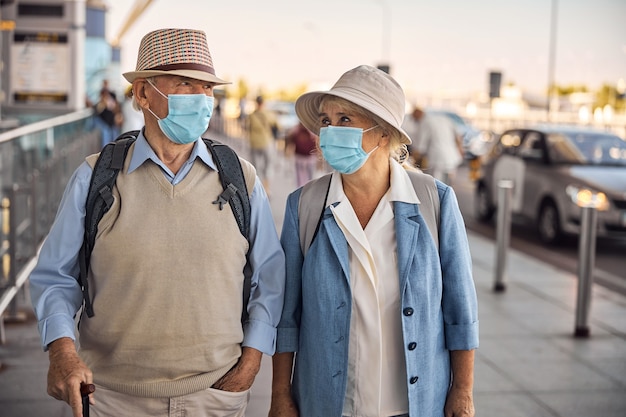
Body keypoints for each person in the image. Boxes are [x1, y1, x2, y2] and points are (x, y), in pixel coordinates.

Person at [29, 28, 285, 417]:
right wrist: (62, 352)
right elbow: (55, 276)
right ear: (143, 94)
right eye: (185, 84)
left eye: (207, 89)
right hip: (110, 399)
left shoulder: (240, 178)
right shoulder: (95, 176)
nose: (202, 99)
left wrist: (249, 366)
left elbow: (270, 276)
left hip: (214, 396)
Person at [269, 65, 479, 417]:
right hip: (329, 403)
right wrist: (280, 396)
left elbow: (460, 309)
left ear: (383, 134)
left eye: (346, 119)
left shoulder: (434, 201)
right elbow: (287, 317)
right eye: (326, 120)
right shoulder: (304, 205)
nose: (330, 131)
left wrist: (463, 391)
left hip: (414, 404)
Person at [402, 106, 464, 186]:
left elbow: (420, 147)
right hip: (452, 157)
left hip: (438, 159)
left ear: (417, 115)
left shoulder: (425, 122)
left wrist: (411, 165)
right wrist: (460, 150)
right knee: (447, 185)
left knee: (436, 187)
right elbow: (458, 137)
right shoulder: (442, 118)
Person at [247, 95, 278, 192]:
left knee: (255, 167)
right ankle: (267, 188)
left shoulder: (252, 115)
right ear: (263, 103)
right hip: (266, 142)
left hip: (254, 143)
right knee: (268, 165)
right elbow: (277, 126)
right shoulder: (268, 114)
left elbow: (247, 127)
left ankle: (256, 188)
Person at [284, 121, 319, 187]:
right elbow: (290, 140)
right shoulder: (296, 130)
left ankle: (307, 189)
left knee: (309, 176)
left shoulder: (309, 130)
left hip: (309, 158)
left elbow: (316, 143)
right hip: (300, 157)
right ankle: (301, 190)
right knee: (301, 177)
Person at [93, 80, 122, 148]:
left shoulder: (112, 96)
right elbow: (98, 111)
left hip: (112, 121)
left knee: (114, 137)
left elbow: (116, 108)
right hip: (106, 122)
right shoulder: (101, 102)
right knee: (106, 136)